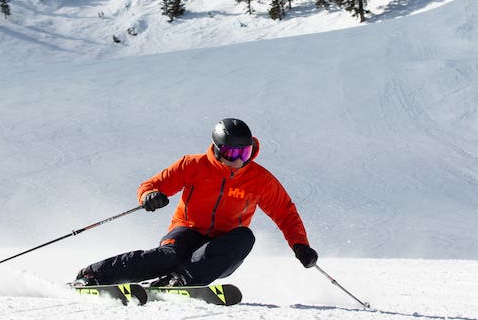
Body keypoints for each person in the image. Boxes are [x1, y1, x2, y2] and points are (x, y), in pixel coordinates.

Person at [75, 118, 318, 287]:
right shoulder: (192, 165)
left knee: (245, 236)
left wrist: (300, 246)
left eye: (244, 153)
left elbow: (285, 213)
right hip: (187, 231)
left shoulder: (260, 179)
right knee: (167, 257)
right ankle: (93, 274)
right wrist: (150, 196)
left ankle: (181, 280)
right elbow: (151, 185)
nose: (239, 160)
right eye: (233, 154)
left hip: (223, 246)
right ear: (218, 148)